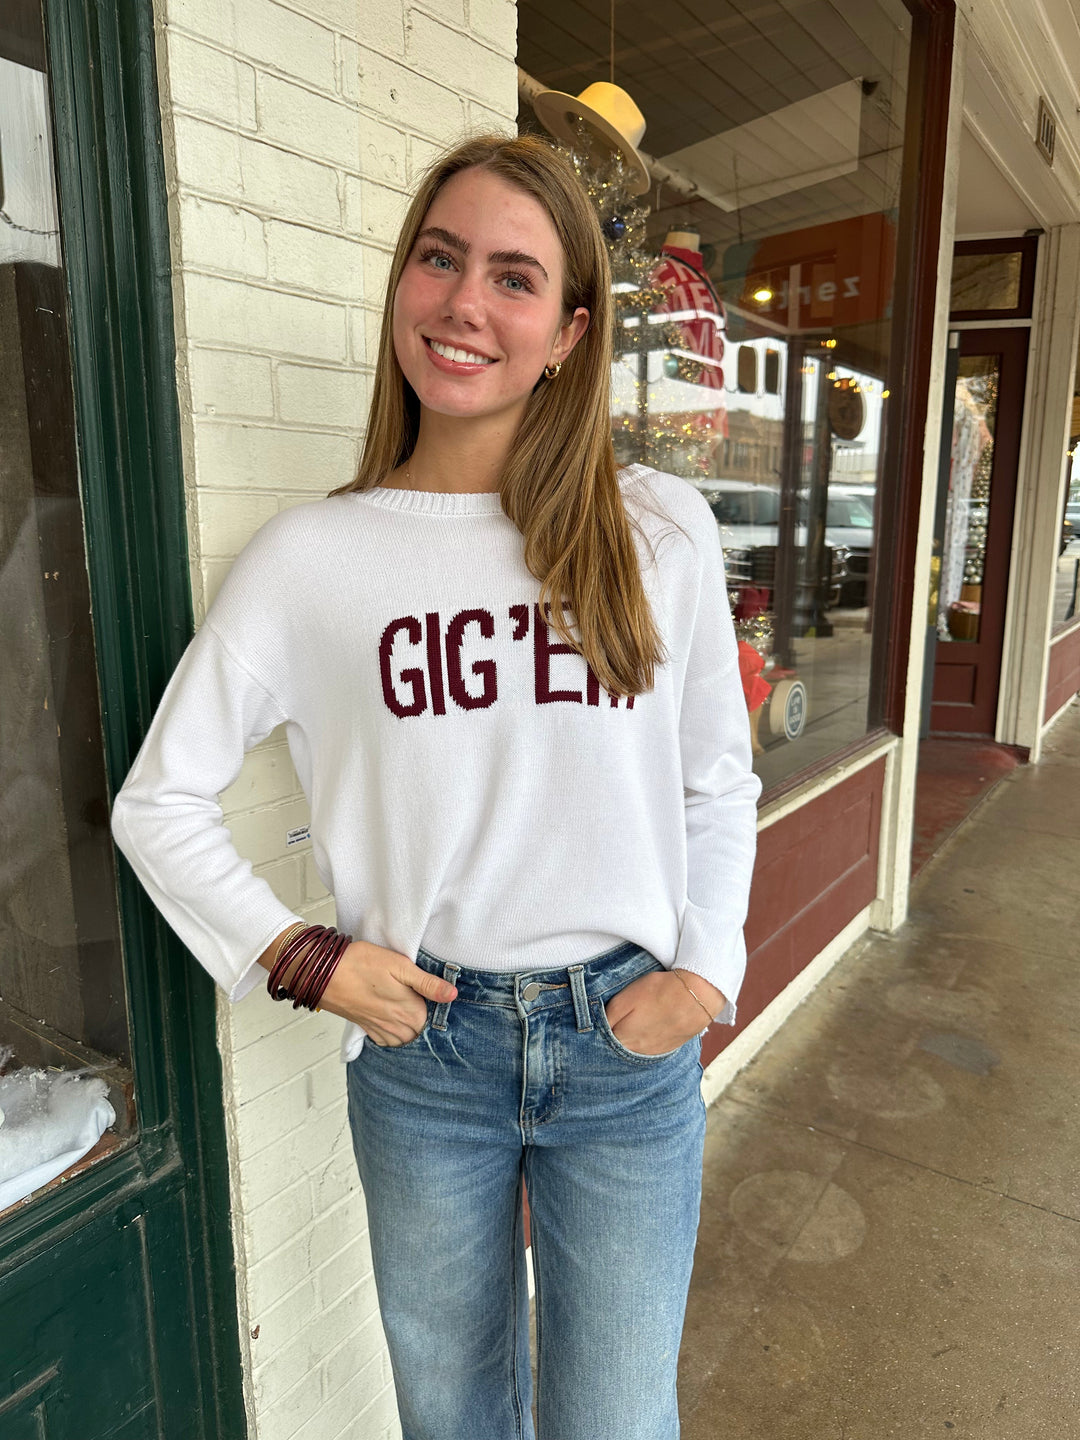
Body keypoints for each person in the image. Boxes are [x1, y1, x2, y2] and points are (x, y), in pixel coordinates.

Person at [110, 131, 761, 1440]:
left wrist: (706, 969)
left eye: (514, 278)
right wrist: (300, 955)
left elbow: (713, 779)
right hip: (428, 1054)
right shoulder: (314, 559)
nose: (466, 303)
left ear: (571, 330)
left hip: (622, 1036)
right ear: (404, 284)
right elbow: (155, 801)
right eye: (440, 258)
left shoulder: (654, 529)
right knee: (452, 1416)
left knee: (617, 1418)